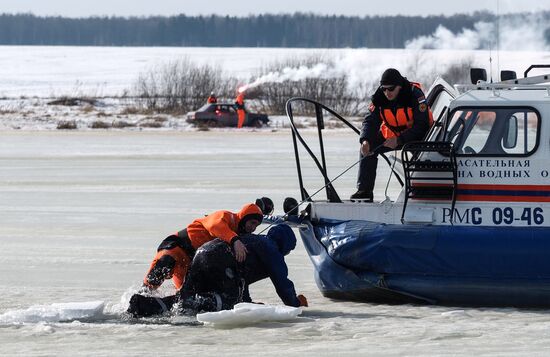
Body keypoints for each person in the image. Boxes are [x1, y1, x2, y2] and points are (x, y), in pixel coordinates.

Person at [127, 224, 308, 317]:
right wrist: (295, 304)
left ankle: (144, 305)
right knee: (228, 303)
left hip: (203, 253)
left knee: (185, 297)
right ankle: (188, 305)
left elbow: (240, 279)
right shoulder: (271, 249)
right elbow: (282, 283)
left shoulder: (255, 241)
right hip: (219, 258)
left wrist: (247, 302)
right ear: (285, 245)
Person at [351, 68, 433, 201]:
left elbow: (421, 126)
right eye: (384, 89)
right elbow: (370, 121)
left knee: (423, 155)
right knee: (368, 147)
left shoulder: (415, 95)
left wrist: (399, 140)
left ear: (399, 86)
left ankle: (421, 190)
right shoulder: (379, 98)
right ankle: (364, 191)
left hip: (417, 137)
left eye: (391, 89)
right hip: (393, 134)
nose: (387, 92)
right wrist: (365, 140)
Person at [142, 203, 263, 290]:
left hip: (189, 262)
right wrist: (235, 240)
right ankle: (139, 298)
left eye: (256, 226)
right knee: (153, 280)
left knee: (185, 295)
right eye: (252, 223)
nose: (253, 228)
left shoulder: (238, 236)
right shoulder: (227, 216)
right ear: (244, 218)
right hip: (176, 247)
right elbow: (215, 225)